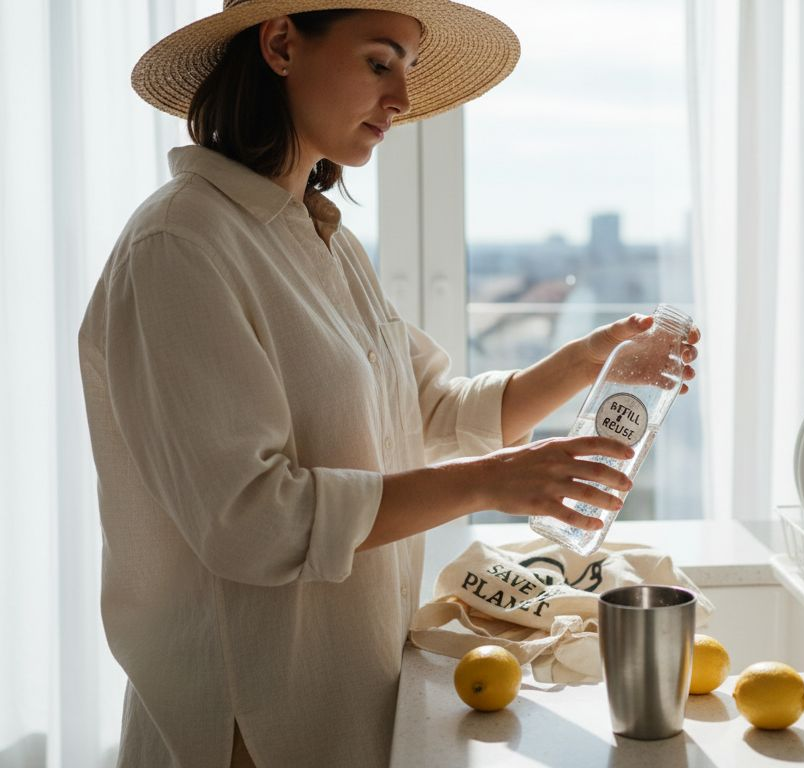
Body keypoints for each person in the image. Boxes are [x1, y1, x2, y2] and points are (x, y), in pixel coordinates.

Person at [77, 2, 700, 766]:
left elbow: (430, 407)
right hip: (249, 723)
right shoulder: (181, 244)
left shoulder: (318, 239)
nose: (402, 99)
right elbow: (250, 520)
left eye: (407, 68)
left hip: (351, 691)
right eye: (380, 62)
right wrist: (491, 483)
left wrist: (583, 362)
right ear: (279, 44)